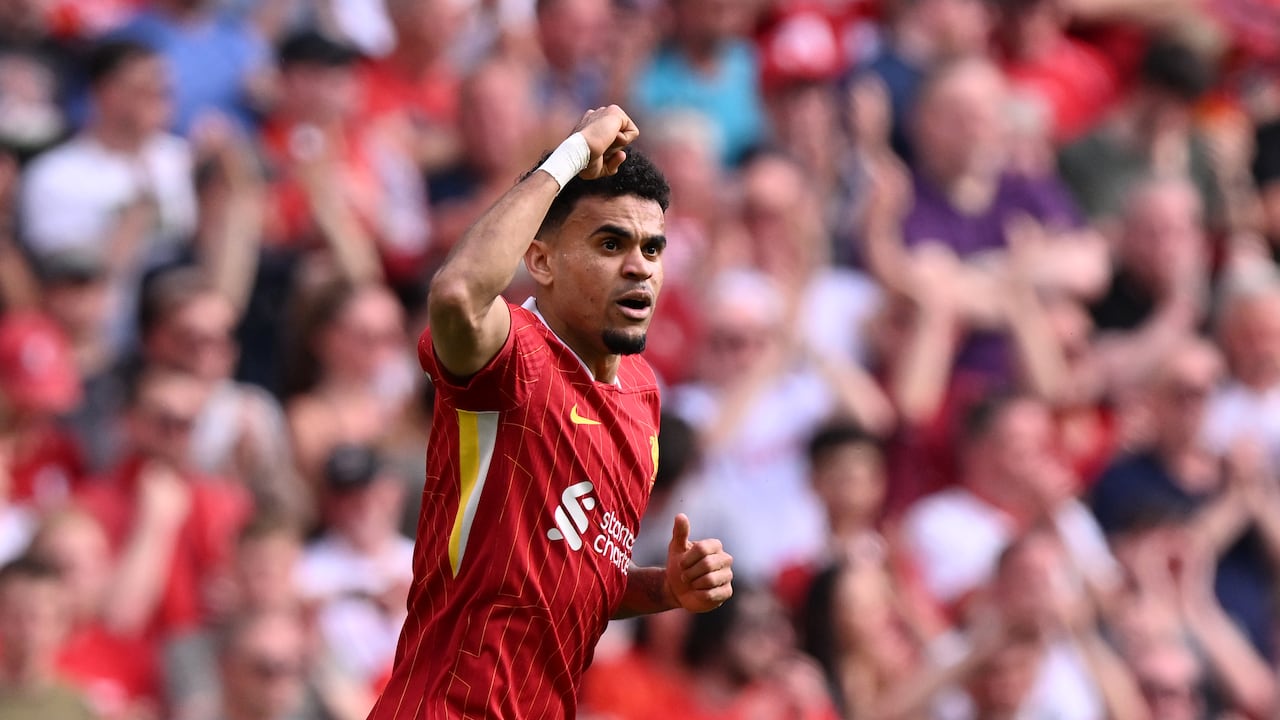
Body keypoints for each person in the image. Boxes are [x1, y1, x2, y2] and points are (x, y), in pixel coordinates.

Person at [367, 105, 734, 719]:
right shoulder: (514, 356)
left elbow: (573, 574)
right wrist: (566, 159)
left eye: (652, 247)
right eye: (610, 243)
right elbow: (457, 293)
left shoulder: (642, 396)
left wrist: (665, 589)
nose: (639, 265)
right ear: (541, 263)